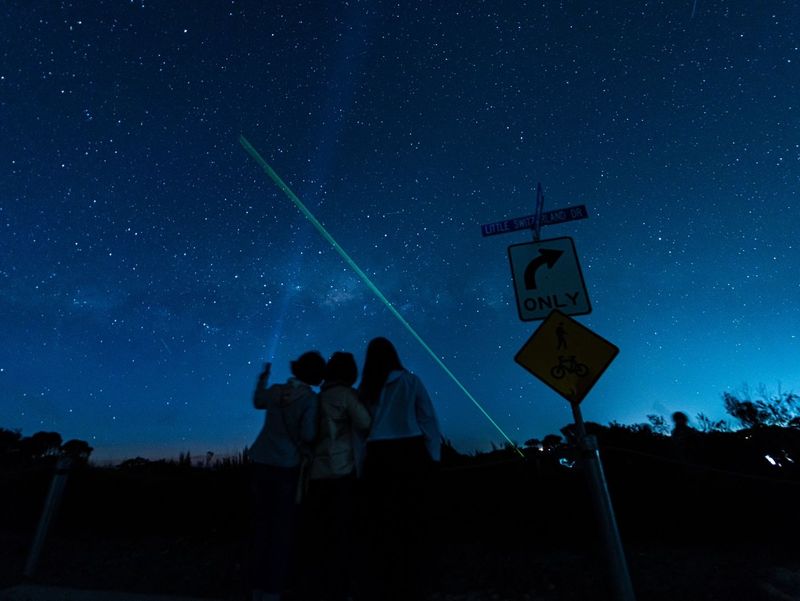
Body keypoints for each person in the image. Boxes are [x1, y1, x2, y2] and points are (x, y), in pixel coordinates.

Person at [358, 337, 443, 601]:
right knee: (412, 517)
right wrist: (434, 455)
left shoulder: (366, 389)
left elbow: (361, 430)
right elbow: (427, 417)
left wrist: (361, 465)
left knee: (382, 519)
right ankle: (414, 579)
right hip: (410, 451)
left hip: (378, 455)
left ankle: (387, 579)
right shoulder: (411, 381)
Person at [249, 351, 325, 601]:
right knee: (281, 531)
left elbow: (258, 401)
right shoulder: (310, 400)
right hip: (286, 466)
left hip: (260, 461)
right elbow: (309, 434)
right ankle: (273, 590)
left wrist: (262, 379)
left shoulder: (275, 391)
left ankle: (256, 587)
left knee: (261, 526)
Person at [304, 351, 371, 601]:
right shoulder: (347, 395)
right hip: (341, 472)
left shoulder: (316, 398)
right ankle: (341, 589)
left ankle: (319, 588)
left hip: (315, 475)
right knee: (342, 533)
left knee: (320, 536)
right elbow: (365, 423)